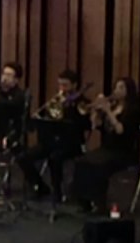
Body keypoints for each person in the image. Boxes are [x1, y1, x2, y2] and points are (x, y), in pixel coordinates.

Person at [72, 77, 140, 214]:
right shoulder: (113, 105)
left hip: (123, 151)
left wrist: (108, 111)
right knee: (82, 161)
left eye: (122, 88)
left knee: (99, 166)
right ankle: (84, 201)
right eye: (116, 87)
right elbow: (97, 126)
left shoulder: (133, 111)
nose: (117, 91)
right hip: (107, 148)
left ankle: (100, 203)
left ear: (129, 91)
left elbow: (120, 130)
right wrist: (96, 113)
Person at [17, 69, 90, 200]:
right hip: (52, 142)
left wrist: (71, 109)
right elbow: (46, 120)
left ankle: (57, 191)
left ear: (74, 85)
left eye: (65, 85)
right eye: (60, 85)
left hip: (72, 144)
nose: (62, 88)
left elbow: (85, 125)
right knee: (23, 157)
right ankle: (40, 186)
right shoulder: (56, 100)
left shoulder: (82, 102)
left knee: (54, 158)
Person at [0, 62, 28, 151]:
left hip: (10, 130)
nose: (4, 78)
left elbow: (10, 107)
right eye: (4, 74)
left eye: (9, 75)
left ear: (16, 80)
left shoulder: (19, 95)